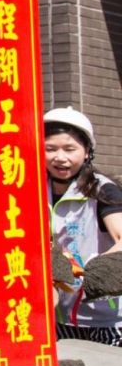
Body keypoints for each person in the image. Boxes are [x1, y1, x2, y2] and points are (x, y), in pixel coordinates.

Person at [46, 107, 122, 346]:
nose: (60, 157)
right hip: (57, 317)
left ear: (87, 151)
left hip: (107, 319)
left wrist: (99, 273)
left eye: (70, 149)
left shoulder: (102, 189)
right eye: (50, 149)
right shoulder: (29, 188)